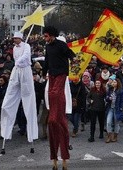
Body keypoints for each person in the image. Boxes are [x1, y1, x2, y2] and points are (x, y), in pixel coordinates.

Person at [42, 26, 75, 170]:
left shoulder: (61, 45)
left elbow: (71, 54)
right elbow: (47, 61)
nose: (45, 38)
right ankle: (53, 114)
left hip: (62, 73)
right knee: (50, 93)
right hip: (52, 74)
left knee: (56, 93)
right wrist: (44, 73)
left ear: (52, 35)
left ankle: (55, 114)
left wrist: (74, 60)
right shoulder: (48, 47)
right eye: (44, 36)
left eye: (46, 36)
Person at [0, 32, 38, 143]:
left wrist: (18, 61)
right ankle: (6, 131)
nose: (14, 40)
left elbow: (26, 56)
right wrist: (16, 63)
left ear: (20, 38)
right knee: (10, 95)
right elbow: (16, 57)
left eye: (16, 38)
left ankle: (31, 133)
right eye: (14, 38)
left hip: (25, 69)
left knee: (28, 96)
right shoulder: (15, 48)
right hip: (17, 69)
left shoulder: (26, 46)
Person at [105, 78, 123, 143]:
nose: (113, 83)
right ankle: (109, 136)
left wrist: (121, 107)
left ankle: (115, 136)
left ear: (117, 83)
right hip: (110, 107)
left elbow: (122, 100)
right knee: (108, 122)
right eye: (113, 82)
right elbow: (106, 98)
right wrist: (108, 98)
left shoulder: (120, 91)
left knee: (116, 123)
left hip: (117, 108)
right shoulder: (110, 89)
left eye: (115, 82)